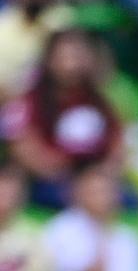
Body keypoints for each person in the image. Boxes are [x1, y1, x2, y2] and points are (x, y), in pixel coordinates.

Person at [4, 28, 124, 208]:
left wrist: (100, 176)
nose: (72, 64)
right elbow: (23, 147)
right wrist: (67, 176)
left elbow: (117, 142)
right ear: (50, 59)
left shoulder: (99, 100)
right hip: (49, 181)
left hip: (93, 179)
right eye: (65, 56)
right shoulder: (30, 99)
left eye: (77, 56)